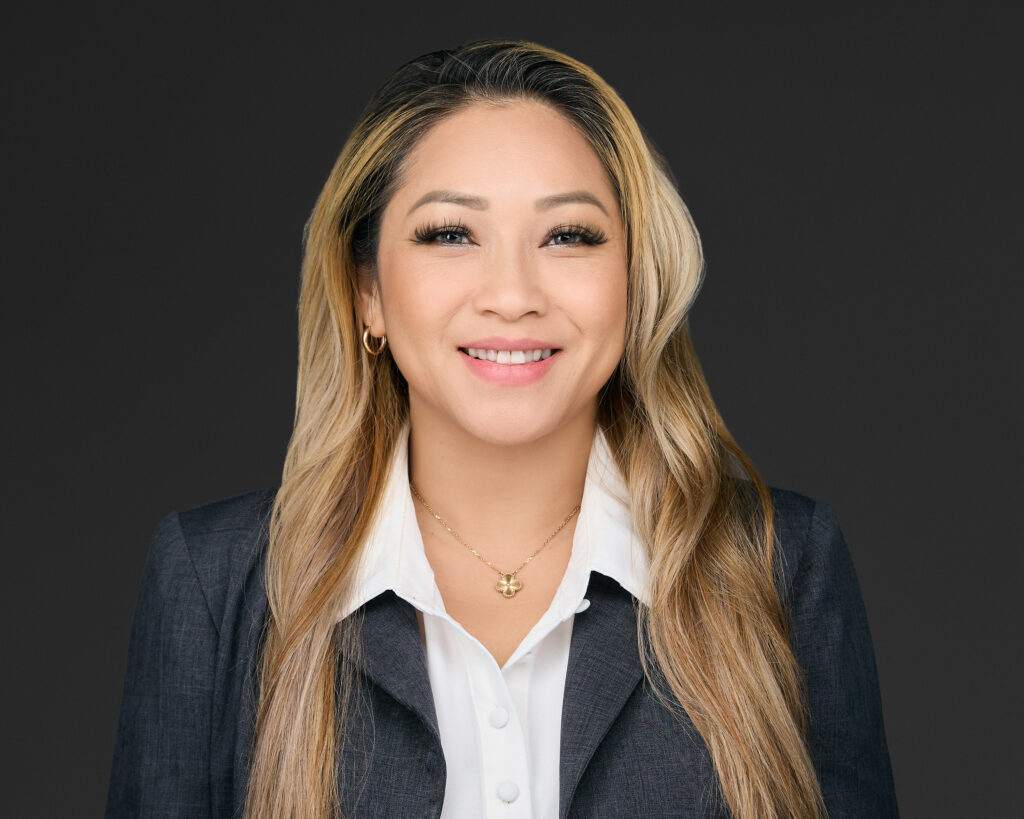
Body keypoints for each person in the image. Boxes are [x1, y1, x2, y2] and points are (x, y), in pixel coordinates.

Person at [105, 39, 899, 819]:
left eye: (569, 236)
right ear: (368, 294)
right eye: (451, 234)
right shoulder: (213, 585)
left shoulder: (782, 564)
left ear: (635, 281)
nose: (513, 294)